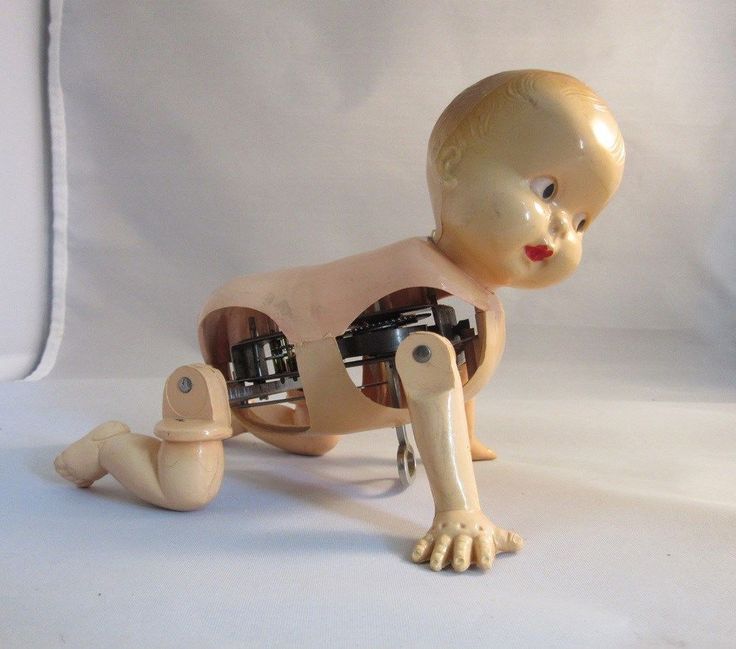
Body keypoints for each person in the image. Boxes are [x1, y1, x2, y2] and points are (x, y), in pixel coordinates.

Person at [55, 70, 624, 572]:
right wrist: (460, 509)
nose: (560, 230)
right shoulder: (422, 273)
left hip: (310, 408)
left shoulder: (464, 293)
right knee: (185, 490)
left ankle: (251, 423)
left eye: (581, 222)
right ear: (452, 165)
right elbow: (432, 371)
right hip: (247, 335)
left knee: (316, 442)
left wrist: (461, 438)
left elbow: (451, 372)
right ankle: (111, 446)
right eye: (547, 190)